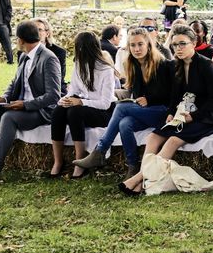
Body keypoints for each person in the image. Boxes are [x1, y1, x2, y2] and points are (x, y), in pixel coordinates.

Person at [120, 25, 213, 196]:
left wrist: (192, 117)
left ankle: (138, 179)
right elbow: (175, 97)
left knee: (173, 140)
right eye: (174, 45)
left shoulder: (206, 65)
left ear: (193, 43)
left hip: (204, 118)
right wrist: (171, 113)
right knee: (153, 137)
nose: (178, 48)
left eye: (182, 44)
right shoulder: (176, 65)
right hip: (181, 115)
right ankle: (142, 180)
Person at [73, 27, 175, 178]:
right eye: (132, 45)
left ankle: (100, 151)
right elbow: (134, 92)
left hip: (163, 112)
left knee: (121, 107)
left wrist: (150, 99)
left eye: (140, 44)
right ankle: (133, 166)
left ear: (148, 44)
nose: (137, 49)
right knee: (124, 124)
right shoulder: (133, 65)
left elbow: (173, 94)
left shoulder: (163, 64)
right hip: (144, 111)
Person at [0, 21, 61, 185]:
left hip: (41, 111)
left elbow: (53, 96)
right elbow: (15, 83)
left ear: (21, 40)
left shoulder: (49, 58)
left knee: (8, 117)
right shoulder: (23, 56)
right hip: (17, 105)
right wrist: (4, 98)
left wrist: (25, 105)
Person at [49, 32, 116, 178]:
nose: (78, 53)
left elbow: (104, 103)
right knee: (58, 111)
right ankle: (58, 161)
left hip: (105, 112)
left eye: (81, 49)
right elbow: (73, 90)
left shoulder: (106, 70)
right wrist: (64, 100)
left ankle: (79, 162)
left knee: (75, 112)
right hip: (85, 106)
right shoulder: (79, 64)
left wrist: (80, 102)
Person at [29, 17, 67, 95]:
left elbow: (58, 78)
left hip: (52, 90)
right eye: (32, 29)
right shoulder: (23, 53)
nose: (35, 32)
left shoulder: (59, 52)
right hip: (28, 90)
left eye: (39, 29)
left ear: (47, 33)